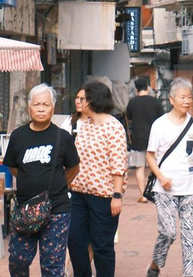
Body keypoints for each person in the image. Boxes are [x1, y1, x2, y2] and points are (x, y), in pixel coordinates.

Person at [3, 84, 80, 277]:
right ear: (29, 107)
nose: (40, 108)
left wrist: (57, 185)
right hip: (25, 209)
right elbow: (13, 166)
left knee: (52, 265)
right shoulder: (19, 135)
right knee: (18, 259)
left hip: (57, 209)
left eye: (45, 104)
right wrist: (30, 180)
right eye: (36, 104)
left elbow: (73, 168)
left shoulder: (62, 137)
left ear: (53, 109)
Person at [145, 78, 193, 277]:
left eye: (189, 97)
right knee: (168, 232)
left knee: (190, 238)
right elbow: (150, 155)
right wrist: (160, 176)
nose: (187, 101)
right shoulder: (160, 124)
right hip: (164, 190)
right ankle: (156, 264)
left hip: (191, 189)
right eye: (182, 97)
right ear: (172, 100)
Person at [68, 81, 128, 277]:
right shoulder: (85, 126)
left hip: (104, 197)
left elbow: (118, 164)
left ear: (94, 100)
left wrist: (117, 195)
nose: (80, 102)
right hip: (79, 194)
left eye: (83, 99)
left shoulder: (114, 127)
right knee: (75, 240)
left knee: (102, 246)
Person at [125, 78, 164, 202]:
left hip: (138, 137)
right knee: (156, 166)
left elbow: (129, 117)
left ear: (136, 89)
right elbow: (162, 119)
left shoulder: (132, 103)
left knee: (139, 167)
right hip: (154, 137)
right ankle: (157, 192)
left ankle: (143, 195)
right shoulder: (156, 102)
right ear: (148, 87)